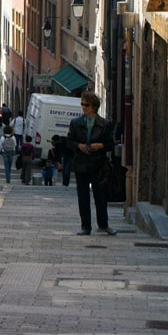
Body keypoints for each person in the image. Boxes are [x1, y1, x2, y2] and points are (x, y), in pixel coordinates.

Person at [67, 91, 117, 235]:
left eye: (86, 105)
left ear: (94, 107)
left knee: (100, 196)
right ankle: (85, 227)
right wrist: (79, 146)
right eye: (82, 104)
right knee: (83, 197)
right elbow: (69, 141)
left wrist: (100, 145)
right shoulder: (76, 123)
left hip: (98, 165)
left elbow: (110, 144)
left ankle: (104, 224)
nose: (83, 107)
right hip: (81, 164)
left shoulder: (105, 124)